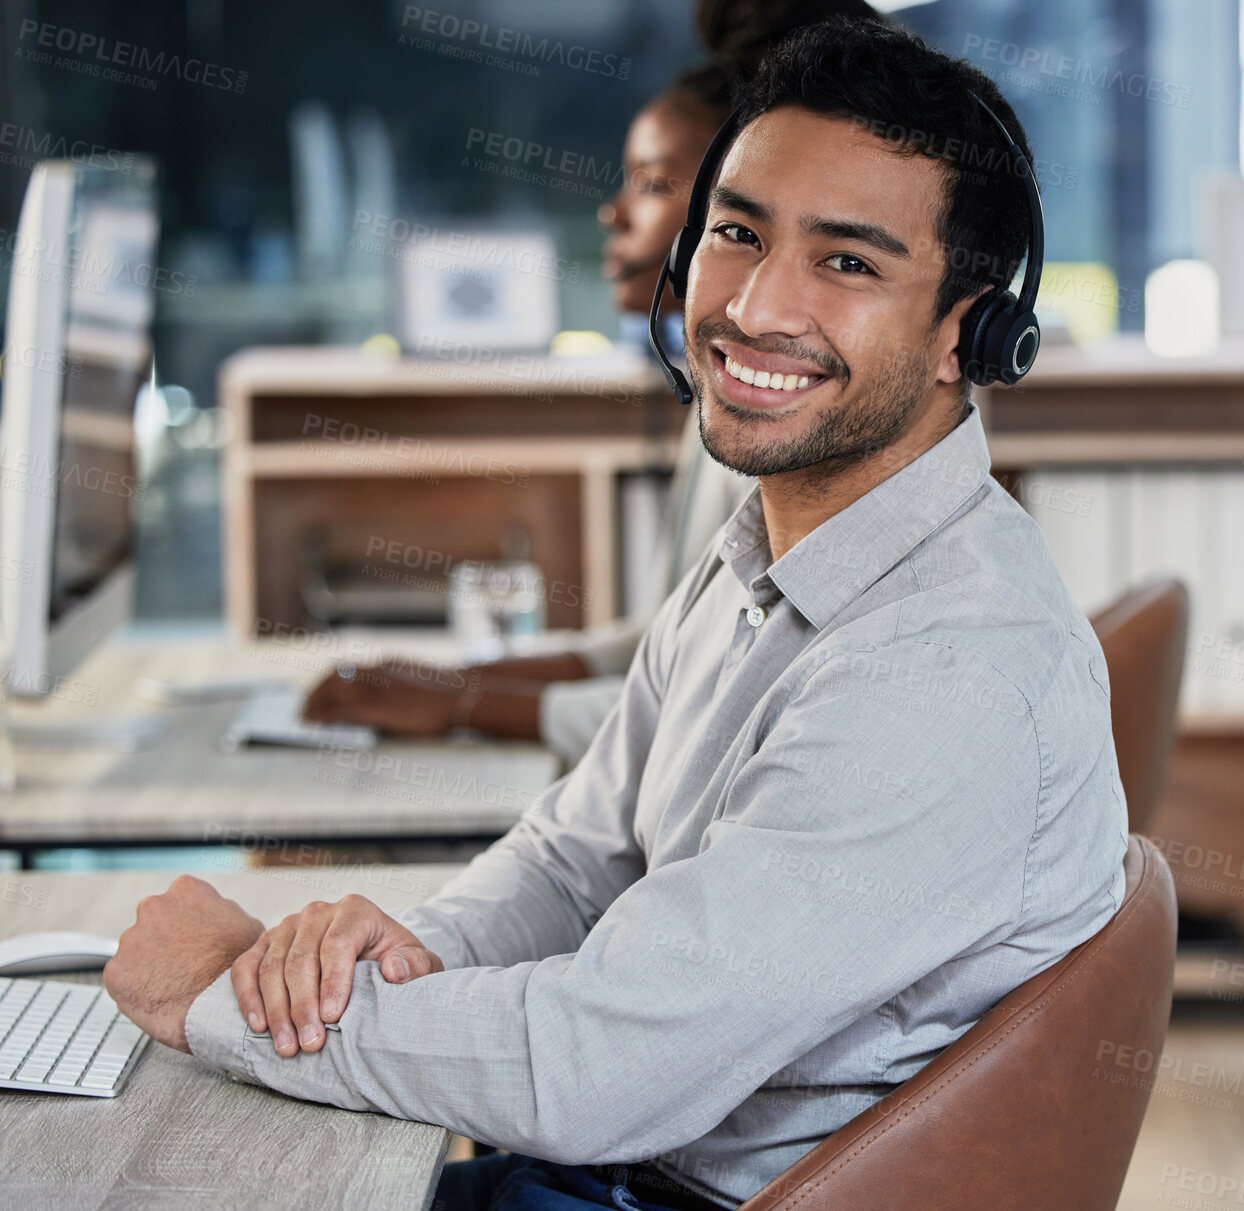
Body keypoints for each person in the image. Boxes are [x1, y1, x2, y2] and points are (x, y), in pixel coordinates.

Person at [105, 19, 1130, 1211]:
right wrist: (382, 956)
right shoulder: (767, 546)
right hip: (604, 1168)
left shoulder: (947, 674)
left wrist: (222, 996)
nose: (751, 305)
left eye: (847, 263)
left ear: (972, 332)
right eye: (738, 233)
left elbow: (597, 1067)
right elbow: (575, 855)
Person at [301, 1, 884, 770]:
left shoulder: (802, 421)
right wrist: (462, 680)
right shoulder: (725, 389)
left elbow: (723, 701)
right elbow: (672, 643)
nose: (611, 211)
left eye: (647, 183)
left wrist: (467, 703)